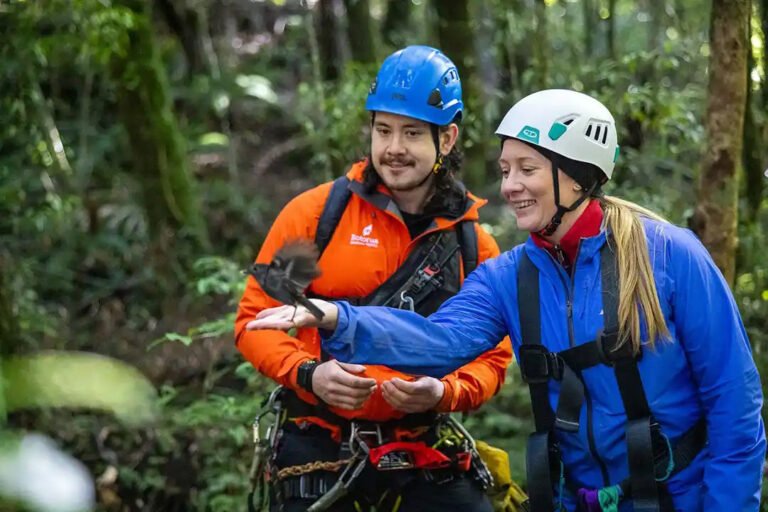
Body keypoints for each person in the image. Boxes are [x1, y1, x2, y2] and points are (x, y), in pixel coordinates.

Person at [248, 89, 767, 511]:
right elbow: (440, 339)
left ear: (578, 175)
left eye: (527, 169)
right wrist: (338, 316)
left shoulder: (671, 256)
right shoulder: (510, 276)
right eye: (504, 170)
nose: (510, 186)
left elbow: (735, 403)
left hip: (681, 496)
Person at [235, 45, 512, 512]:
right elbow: (255, 320)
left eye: (410, 133)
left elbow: (493, 360)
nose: (393, 148)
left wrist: (444, 392)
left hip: (419, 443)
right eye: (383, 130)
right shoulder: (318, 218)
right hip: (317, 440)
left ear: (446, 139)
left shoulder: (471, 247)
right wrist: (309, 373)